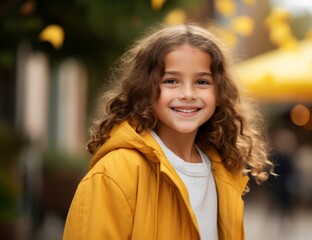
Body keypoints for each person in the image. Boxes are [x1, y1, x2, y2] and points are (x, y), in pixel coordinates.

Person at [63, 23, 273, 240]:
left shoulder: (224, 172)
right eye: (171, 81)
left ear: (220, 92)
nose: (188, 93)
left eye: (202, 81)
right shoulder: (115, 172)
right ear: (146, 88)